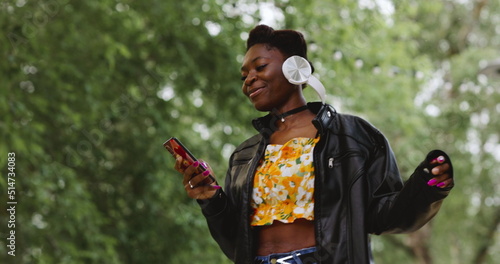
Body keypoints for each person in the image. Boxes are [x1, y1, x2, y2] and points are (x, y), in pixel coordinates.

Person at [174, 24, 454, 264]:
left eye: (259, 67)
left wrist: (426, 188)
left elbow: (382, 215)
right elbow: (236, 242)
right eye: (244, 75)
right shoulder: (244, 157)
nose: (249, 79)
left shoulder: (353, 136)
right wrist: (210, 199)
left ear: (295, 68)